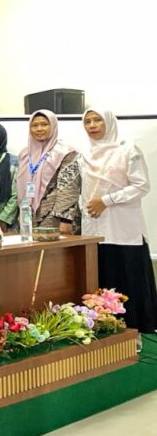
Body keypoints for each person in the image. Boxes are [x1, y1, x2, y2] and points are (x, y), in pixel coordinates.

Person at [80, 108, 157, 334]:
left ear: (110, 123)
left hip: (123, 230)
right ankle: (106, 329)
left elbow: (141, 186)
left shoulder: (127, 150)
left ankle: (134, 331)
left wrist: (106, 200)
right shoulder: (85, 155)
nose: (92, 125)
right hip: (94, 229)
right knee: (101, 279)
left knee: (128, 281)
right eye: (87, 121)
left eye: (97, 120)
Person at [17, 109, 80, 234]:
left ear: (53, 126)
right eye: (34, 125)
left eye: (44, 124)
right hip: (27, 215)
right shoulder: (25, 154)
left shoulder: (66, 152)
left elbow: (69, 188)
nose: (39, 129)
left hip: (54, 218)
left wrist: (65, 219)